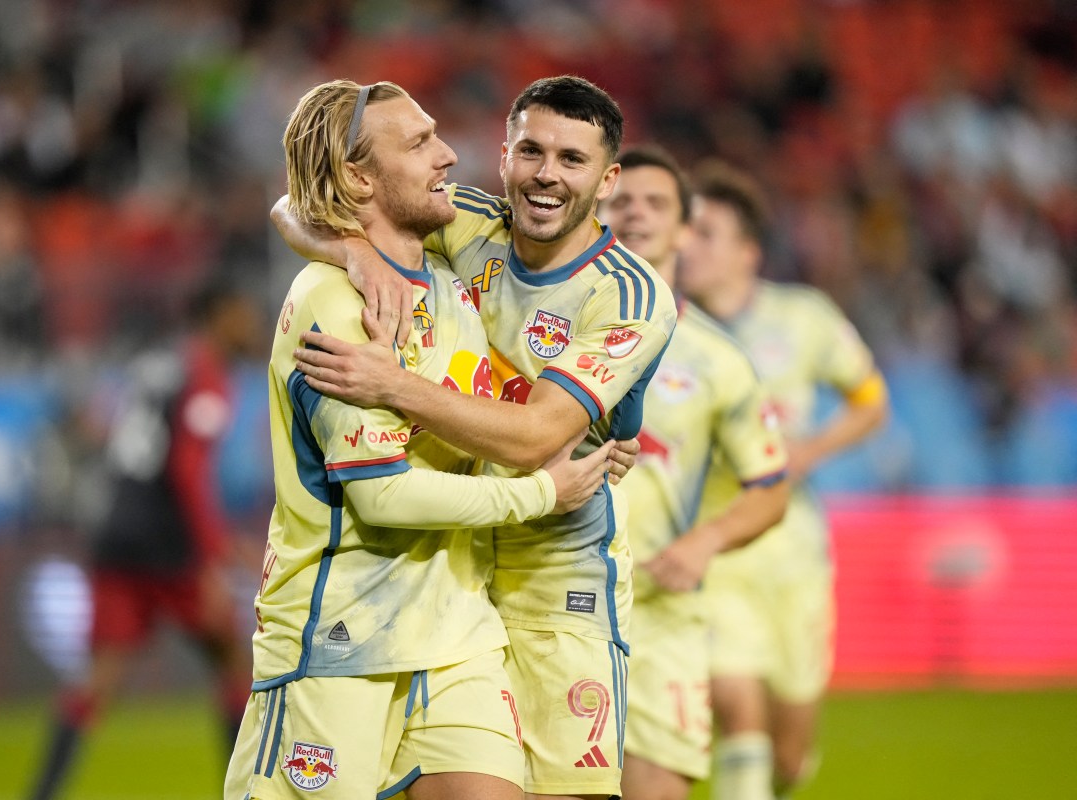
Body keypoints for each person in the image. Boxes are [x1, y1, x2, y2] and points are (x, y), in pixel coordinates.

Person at [277, 76, 679, 800]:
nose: (546, 174)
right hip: (447, 570)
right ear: (504, 156)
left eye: (572, 159)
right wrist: (353, 255)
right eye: (531, 150)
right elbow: (297, 202)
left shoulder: (631, 294)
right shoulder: (465, 220)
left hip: (553, 574)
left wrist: (393, 386)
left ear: (608, 178)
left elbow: (535, 438)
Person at [678, 161, 889, 800]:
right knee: (736, 703)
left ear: (748, 252)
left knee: (788, 748)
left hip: (794, 552)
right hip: (713, 543)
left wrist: (813, 448)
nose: (688, 244)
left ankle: (784, 772)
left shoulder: (805, 318)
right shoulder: (665, 327)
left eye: (707, 233)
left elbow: (871, 400)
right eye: (685, 230)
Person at [600, 146, 791, 800]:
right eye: (621, 200)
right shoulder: (537, 323)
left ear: (686, 229)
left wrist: (703, 542)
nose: (636, 213)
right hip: (537, 598)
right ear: (595, 212)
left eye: (657, 203)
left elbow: (771, 486)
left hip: (656, 612)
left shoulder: (715, 357)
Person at [26, 279, 265, 800]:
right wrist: (213, 557)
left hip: (117, 530)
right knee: (233, 663)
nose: (251, 326)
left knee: (97, 681)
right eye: (243, 314)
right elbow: (185, 470)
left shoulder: (156, 363)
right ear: (218, 315)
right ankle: (240, 791)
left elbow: (108, 433)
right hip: (168, 543)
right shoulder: (208, 377)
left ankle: (40, 794)